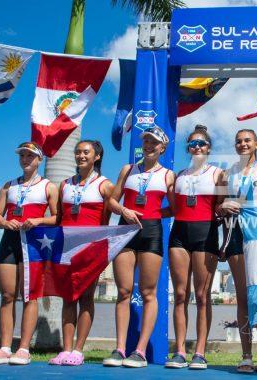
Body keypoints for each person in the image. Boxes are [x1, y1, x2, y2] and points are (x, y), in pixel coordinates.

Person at [103, 126, 176, 368]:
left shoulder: (168, 175)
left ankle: (141, 351)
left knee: (148, 293)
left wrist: (152, 215)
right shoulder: (128, 169)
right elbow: (112, 200)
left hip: (152, 232)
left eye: (153, 142)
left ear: (162, 148)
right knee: (123, 291)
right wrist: (124, 210)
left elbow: (174, 209)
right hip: (124, 230)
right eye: (145, 141)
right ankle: (120, 349)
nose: (148, 145)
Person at [0, 142, 58, 365]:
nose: (26, 159)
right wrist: (5, 222)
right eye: (23, 156)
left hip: (33, 243)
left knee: (29, 296)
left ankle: (23, 348)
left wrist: (39, 220)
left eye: (30, 156)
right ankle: (3, 347)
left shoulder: (48, 186)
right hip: (9, 242)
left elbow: (58, 217)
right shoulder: (9, 186)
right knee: (7, 295)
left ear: (39, 160)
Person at [217, 128, 257, 375]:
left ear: (256, 143)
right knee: (243, 297)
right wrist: (223, 206)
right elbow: (216, 209)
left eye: (247, 140)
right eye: (239, 141)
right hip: (236, 235)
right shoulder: (225, 174)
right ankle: (246, 355)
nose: (243, 144)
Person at [47, 140, 113, 366]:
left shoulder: (105, 184)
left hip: (91, 248)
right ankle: (65, 350)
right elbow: (58, 219)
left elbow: (105, 220)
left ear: (97, 157)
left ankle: (78, 350)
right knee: (67, 297)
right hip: (66, 247)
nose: (80, 155)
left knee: (85, 298)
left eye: (86, 152)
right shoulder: (64, 185)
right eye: (77, 152)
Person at [165, 125, 224, 370]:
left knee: (202, 296)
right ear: (188, 148)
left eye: (201, 143)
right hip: (179, 234)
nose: (197, 147)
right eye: (192, 144)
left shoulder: (218, 174)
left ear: (208, 148)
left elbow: (222, 209)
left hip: (205, 234)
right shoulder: (179, 175)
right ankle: (179, 351)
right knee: (180, 295)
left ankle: (199, 351)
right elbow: (172, 209)